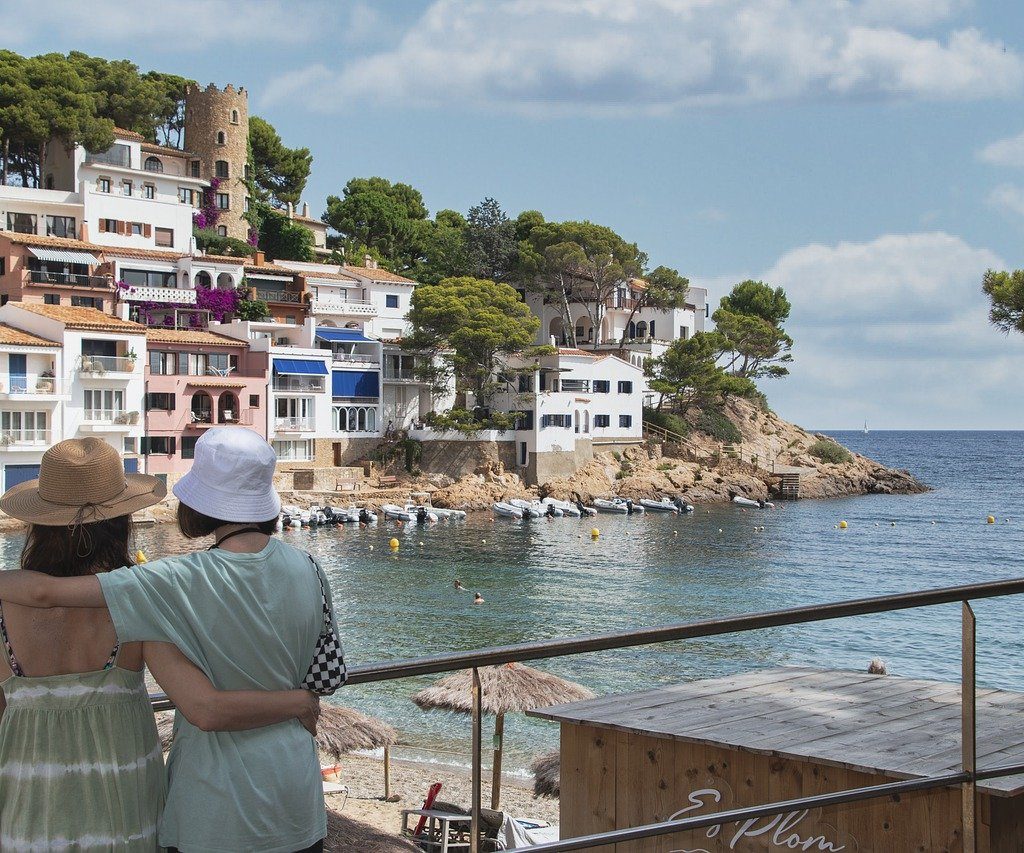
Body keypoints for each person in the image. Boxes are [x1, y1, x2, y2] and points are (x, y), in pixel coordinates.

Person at [0, 429, 341, 852]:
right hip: (270, 798)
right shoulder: (307, 568)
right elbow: (317, 674)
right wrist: (298, 701)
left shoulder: (165, 586)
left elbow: (43, 594)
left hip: (44, 806)